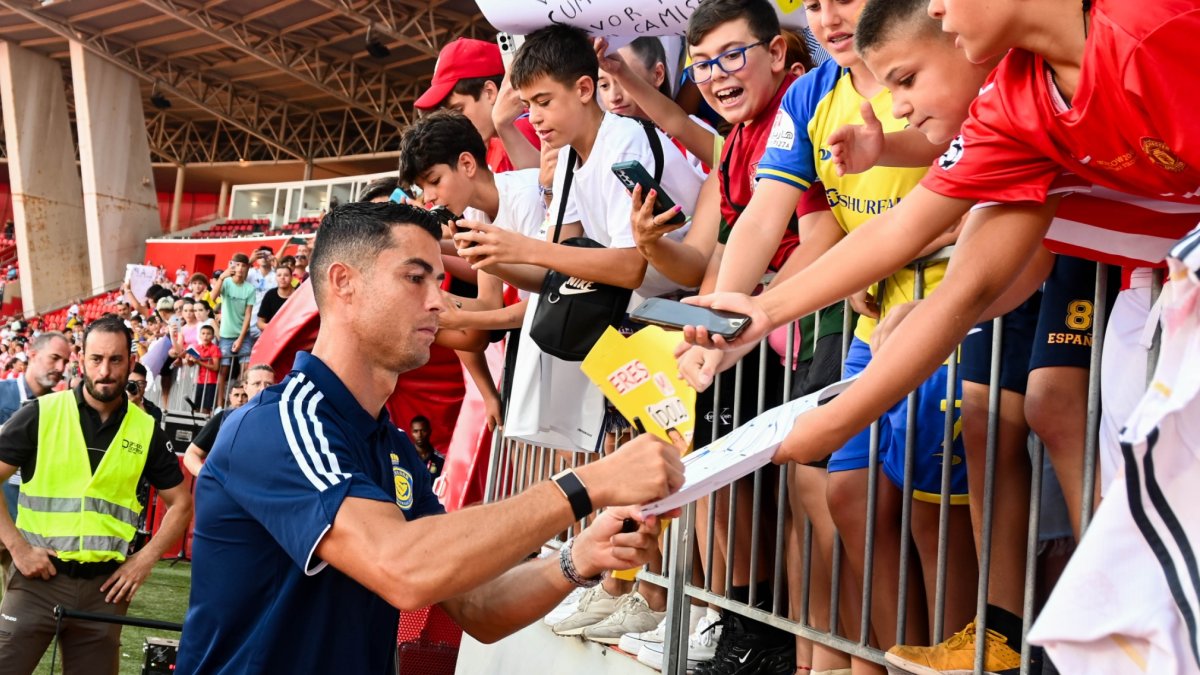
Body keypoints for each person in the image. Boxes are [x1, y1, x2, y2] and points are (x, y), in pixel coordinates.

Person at [175, 201, 685, 673]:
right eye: (415, 278)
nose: (440, 302)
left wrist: (580, 558)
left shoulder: (392, 447)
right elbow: (401, 566)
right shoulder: (279, 424)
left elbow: (477, 607)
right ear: (343, 283)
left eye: (439, 281)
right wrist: (585, 485)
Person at [0, 315, 192, 675]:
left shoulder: (146, 430)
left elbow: (181, 503)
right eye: (96, 359)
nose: (105, 370)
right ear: (82, 359)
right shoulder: (41, 414)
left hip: (106, 591)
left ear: (131, 361)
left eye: (116, 360)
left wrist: (144, 560)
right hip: (37, 581)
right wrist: (17, 548)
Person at [0, 331, 71, 577]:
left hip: (30, 529)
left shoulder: (62, 409)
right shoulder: (2, 394)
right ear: (32, 355)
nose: (60, 367)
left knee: (18, 612)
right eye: (54, 358)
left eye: (65, 361)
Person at [415, 37, 541, 173]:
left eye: (458, 110)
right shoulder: (494, 143)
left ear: (489, 92)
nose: (455, 123)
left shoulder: (521, 130)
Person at [183, 364, 276, 477]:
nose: (262, 389)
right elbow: (191, 454)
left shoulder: (283, 421)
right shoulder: (225, 418)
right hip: (225, 493)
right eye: (257, 384)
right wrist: (207, 476)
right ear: (245, 387)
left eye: (268, 384)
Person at [211, 253, 256, 409]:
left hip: (243, 335)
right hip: (225, 335)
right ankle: (219, 405)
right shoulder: (226, 282)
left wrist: (240, 338)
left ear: (248, 268)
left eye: (244, 266)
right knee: (223, 370)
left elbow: (248, 316)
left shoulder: (250, 288)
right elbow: (212, 296)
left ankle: (241, 401)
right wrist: (221, 278)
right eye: (237, 265)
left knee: (245, 370)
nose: (240, 269)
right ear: (232, 265)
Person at [189, 324, 222, 414]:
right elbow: (190, 364)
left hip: (211, 381)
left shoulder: (214, 348)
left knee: (206, 408)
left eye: (208, 334)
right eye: (203, 333)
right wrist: (189, 358)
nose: (205, 336)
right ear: (199, 335)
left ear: (212, 336)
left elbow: (216, 367)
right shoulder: (197, 348)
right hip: (199, 380)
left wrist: (199, 362)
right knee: (196, 407)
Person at [255, 264, 294, 330]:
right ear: (275, 278)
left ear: (291, 278)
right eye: (279, 275)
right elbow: (260, 323)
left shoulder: (299, 294)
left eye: (286, 275)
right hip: (274, 335)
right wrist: (275, 328)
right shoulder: (270, 295)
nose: (282, 277)